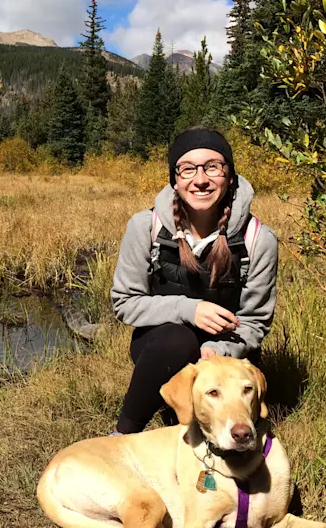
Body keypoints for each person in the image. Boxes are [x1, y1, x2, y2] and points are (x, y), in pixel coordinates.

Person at [110, 127, 278, 435]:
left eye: (213, 167)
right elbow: (125, 302)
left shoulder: (258, 239)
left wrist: (219, 350)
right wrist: (189, 309)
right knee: (178, 339)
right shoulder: (145, 227)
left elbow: (255, 322)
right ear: (175, 179)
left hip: (230, 351)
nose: (200, 179)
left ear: (229, 176)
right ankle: (123, 435)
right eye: (188, 169)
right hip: (161, 346)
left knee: (205, 440)